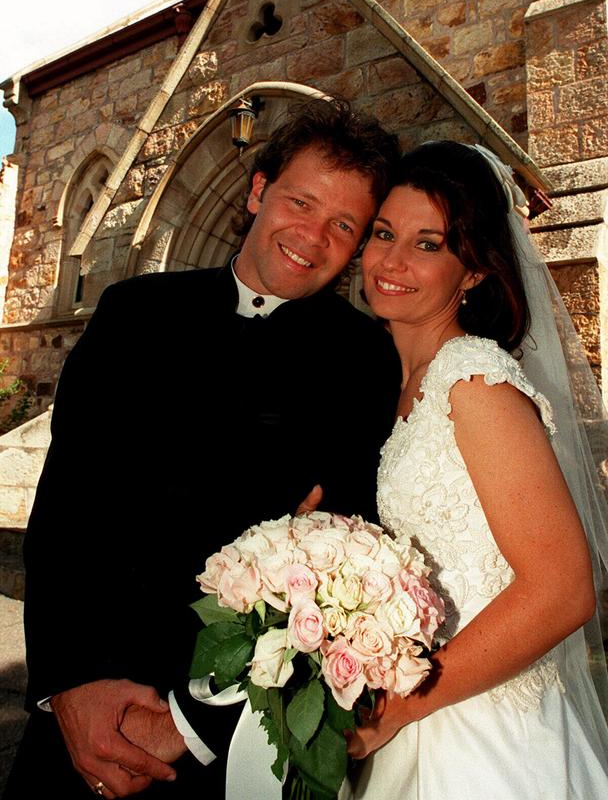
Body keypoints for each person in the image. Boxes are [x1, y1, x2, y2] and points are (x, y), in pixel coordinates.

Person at [5, 100, 402, 799]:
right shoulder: (133, 313)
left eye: (344, 225)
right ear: (256, 191)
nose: (313, 237)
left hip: (222, 732)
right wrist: (68, 684)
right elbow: (67, 511)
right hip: (79, 715)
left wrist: (191, 724)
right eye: (300, 203)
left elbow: (332, 563)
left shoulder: (366, 360)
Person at [344, 140, 608, 800]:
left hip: (479, 733)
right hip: (417, 707)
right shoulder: (400, 385)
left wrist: (404, 706)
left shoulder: (474, 383)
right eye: (383, 233)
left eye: (429, 244)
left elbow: (562, 589)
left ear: (474, 270)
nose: (390, 261)